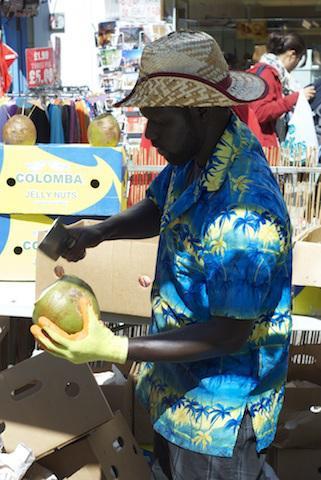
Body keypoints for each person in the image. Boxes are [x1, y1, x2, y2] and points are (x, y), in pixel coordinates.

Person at [31, 31, 292, 480]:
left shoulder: (244, 209)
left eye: (160, 121)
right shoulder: (196, 158)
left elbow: (229, 334)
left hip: (218, 420)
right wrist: (99, 232)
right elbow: (159, 206)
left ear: (200, 112)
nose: (149, 135)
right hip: (175, 393)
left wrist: (116, 346)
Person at [249, 31, 316, 147]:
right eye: (299, 60)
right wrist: (295, 98)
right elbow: (259, 113)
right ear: (292, 54)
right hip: (262, 145)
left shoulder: (272, 74)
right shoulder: (267, 74)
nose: (296, 65)